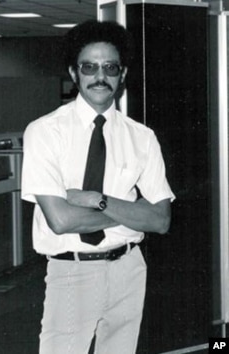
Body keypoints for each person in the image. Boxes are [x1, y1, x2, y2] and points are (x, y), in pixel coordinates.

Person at [21, 20, 175, 354]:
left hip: (129, 269)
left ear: (123, 75)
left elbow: (161, 220)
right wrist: (134, 213)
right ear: (74, 74)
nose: (100, 76)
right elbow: (61, 221)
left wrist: (96, 200)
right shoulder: (45, 132)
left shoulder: (142, 138)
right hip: (72, 270)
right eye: (89, 67)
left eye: (110, 67)